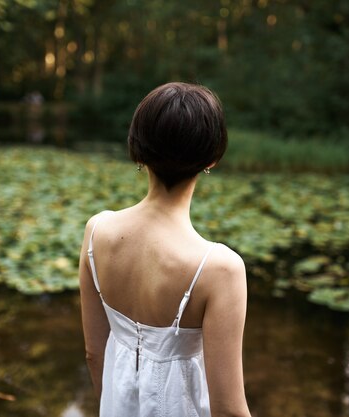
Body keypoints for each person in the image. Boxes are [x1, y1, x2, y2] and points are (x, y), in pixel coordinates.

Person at [79, 82, 251, 417]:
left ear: (138, 151)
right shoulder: (220, 270)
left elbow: (93, 353)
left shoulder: (96, 231)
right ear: (212, 158)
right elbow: (229, 409)